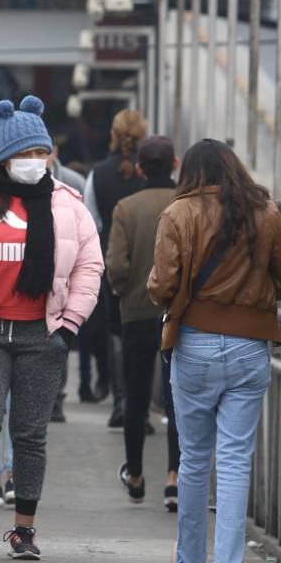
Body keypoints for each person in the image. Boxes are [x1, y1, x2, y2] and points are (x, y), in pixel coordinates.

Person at [0, 95, 103, 560]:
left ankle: (25, 531)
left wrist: (68, 326)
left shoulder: (67, 204)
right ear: (4, 156)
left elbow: (89, 267)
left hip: (41, 334)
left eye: (40, 153)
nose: (34, 162)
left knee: (31, 433)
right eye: (25, 154)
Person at [148, 139, 281, 563]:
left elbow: (162, 286)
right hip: (250, 346)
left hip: (194, 343)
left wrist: (164, 290)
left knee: (194, 459)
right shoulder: (265, 213)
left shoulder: (178, 213)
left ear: (189, 173)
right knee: (234, 461)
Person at [105, 135, 181, 511]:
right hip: (180, 315)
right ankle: (173, 478)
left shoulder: (126, 208)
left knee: (135, 398)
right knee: (175, 398)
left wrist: (124, 290)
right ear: (175, 164)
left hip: (136, 311)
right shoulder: (187, 206)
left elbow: (115, 264)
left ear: (138, 168)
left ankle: (135, 476)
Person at [83, 109, 148, 429]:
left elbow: (90, 221)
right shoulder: (150, 173)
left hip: (113, 263)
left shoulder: (99, 174)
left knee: (116, 332)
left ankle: (121, 401)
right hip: (150, 264)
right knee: (148, 332)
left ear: (113, 134)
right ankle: (142, 406)